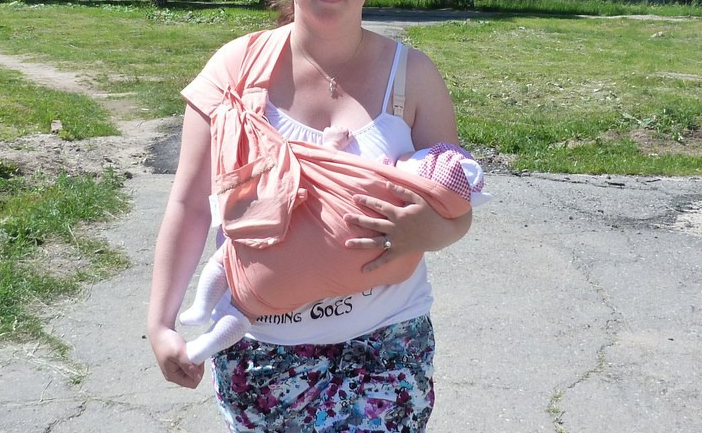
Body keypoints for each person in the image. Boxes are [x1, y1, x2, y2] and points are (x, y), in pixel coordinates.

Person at [148, 0, 474, 433]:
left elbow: (454, 205)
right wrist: (161, 323)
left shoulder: (413, 77)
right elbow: (188, 205)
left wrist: (429, 233)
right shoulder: (234, 70)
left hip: (386, 345)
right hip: (262, 353)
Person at [178, 139, 489, 364]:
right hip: (294, 318)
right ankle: (207, 342)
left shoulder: (382, 176)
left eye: (417, 159)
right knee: (246, 311)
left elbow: (333, 169)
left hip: (278, 269)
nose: (410, 156)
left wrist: (332, 145)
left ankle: (202, 308)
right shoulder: (413, 222)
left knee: (228, 258)